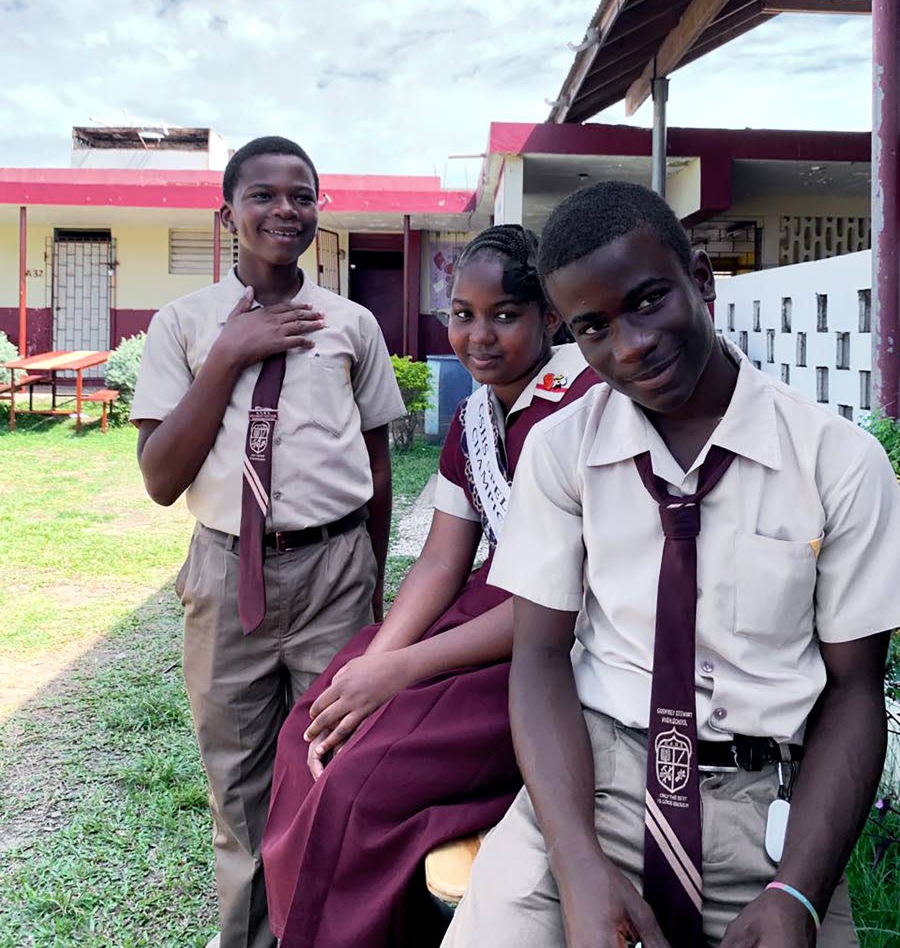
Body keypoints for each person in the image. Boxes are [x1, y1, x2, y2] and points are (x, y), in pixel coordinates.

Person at [445, 181, 900, 948]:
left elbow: (856, 691)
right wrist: (577, 864)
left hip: (767, 812)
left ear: (701, 279)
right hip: (596, 787)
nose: (629, 346)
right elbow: (541, 658)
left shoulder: (838, 463)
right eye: (594, 327)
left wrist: (798, 891)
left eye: (648, 301)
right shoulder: (562, 452)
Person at [261, 224, 599, 948]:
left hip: (547, 644)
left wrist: (402, 671)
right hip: (480, 615)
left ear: (551, 318)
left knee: (362, 781)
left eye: (505, 314)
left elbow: (564, 598)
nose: (479, 336)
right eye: (463, 314)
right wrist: (377, 662)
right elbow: (444, 561)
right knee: (310, 729)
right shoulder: (475, 415)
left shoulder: (585, 406)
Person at [130, 136, 406, 948]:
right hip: (226, 576)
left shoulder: (352, 325)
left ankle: (327, 931)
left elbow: (378, 466)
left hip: (334, 571)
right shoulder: (184, 325)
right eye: (264, 195)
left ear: (318, 211)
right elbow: (160, 477)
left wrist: (370, 581)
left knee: (337, 769)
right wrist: (228, 355)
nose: (285, 209)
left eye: (302, 195)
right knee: (240, 786)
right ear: (228, 214)